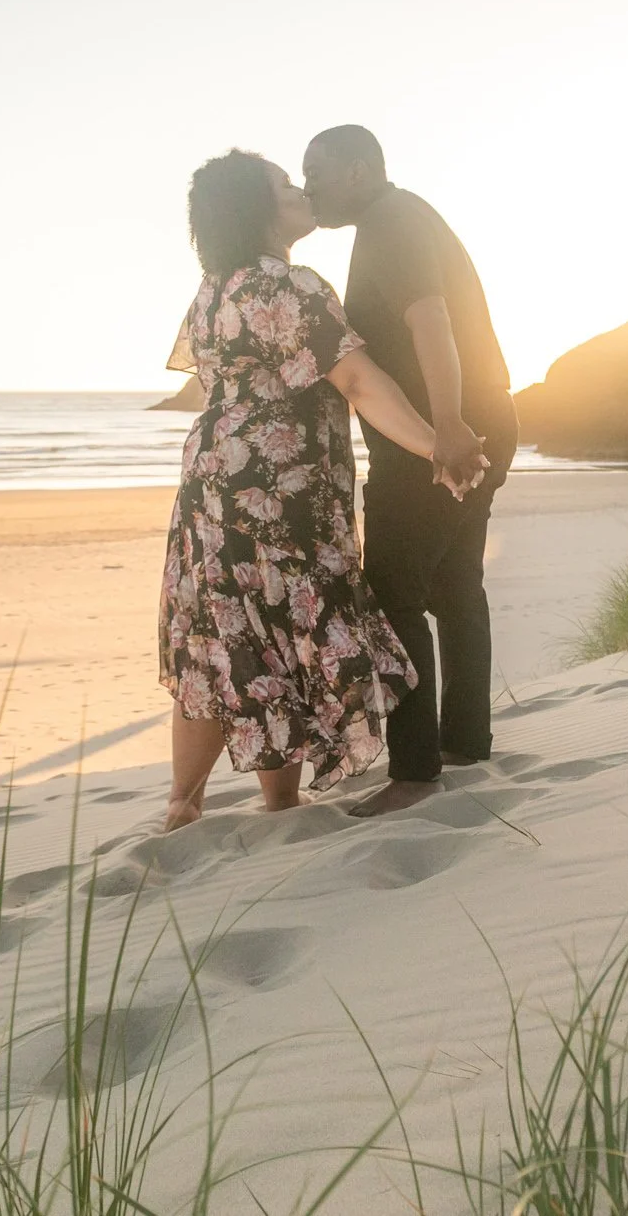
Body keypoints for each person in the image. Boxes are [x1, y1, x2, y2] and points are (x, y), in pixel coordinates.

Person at [159, 150, 483, 832]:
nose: (300, 189)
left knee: (224, 632)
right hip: (280, 491)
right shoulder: (292, 287)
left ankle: (190, 802)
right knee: (280, 627)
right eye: (284, 185)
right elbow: (359, 381)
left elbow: (212, 386)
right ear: (259, 209)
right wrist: (437, 444)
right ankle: (272, 797)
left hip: (210, 485)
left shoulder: (214, 290)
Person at [302, 126, 520, 818]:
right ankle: (464, 740)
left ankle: (416, 770)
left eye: (318, 173)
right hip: (483, 421)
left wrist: (447, 426)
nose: (309, 187)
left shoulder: (391, 223)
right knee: (457, 583)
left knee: (392, 593)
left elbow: (431, 322)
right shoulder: (403, 215)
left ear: (359, 171)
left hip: (438, 439)